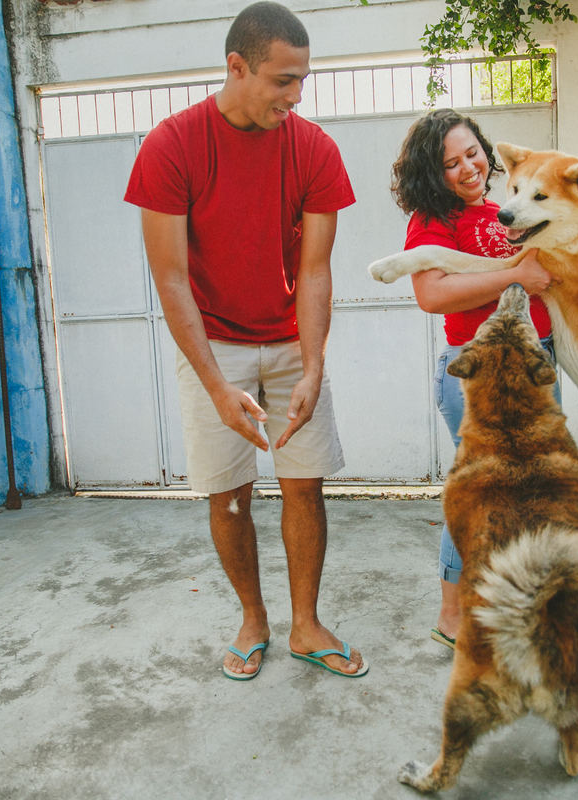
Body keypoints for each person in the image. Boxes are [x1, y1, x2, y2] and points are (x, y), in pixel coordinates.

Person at [124, 1, 366, 680]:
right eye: (282, 81)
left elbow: (316, 271)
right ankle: (253, 619)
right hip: (213, 342)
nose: (294, 97)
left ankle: (306, 624)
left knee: (304, 487)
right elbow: (171, 281)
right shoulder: (172, 145)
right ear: (237, 67)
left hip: (292, 337)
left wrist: (314, 366)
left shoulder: (314, 148)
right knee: (228, 493)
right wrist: (214, 384)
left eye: (302, 82)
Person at [390, 109, 557, 650]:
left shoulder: (500, 208)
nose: (467, 168)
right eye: (450, 164)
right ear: (430, 176)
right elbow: (431, 295)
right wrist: (516, 276)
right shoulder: (433, 220)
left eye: (472, 154)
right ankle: (453, 616)